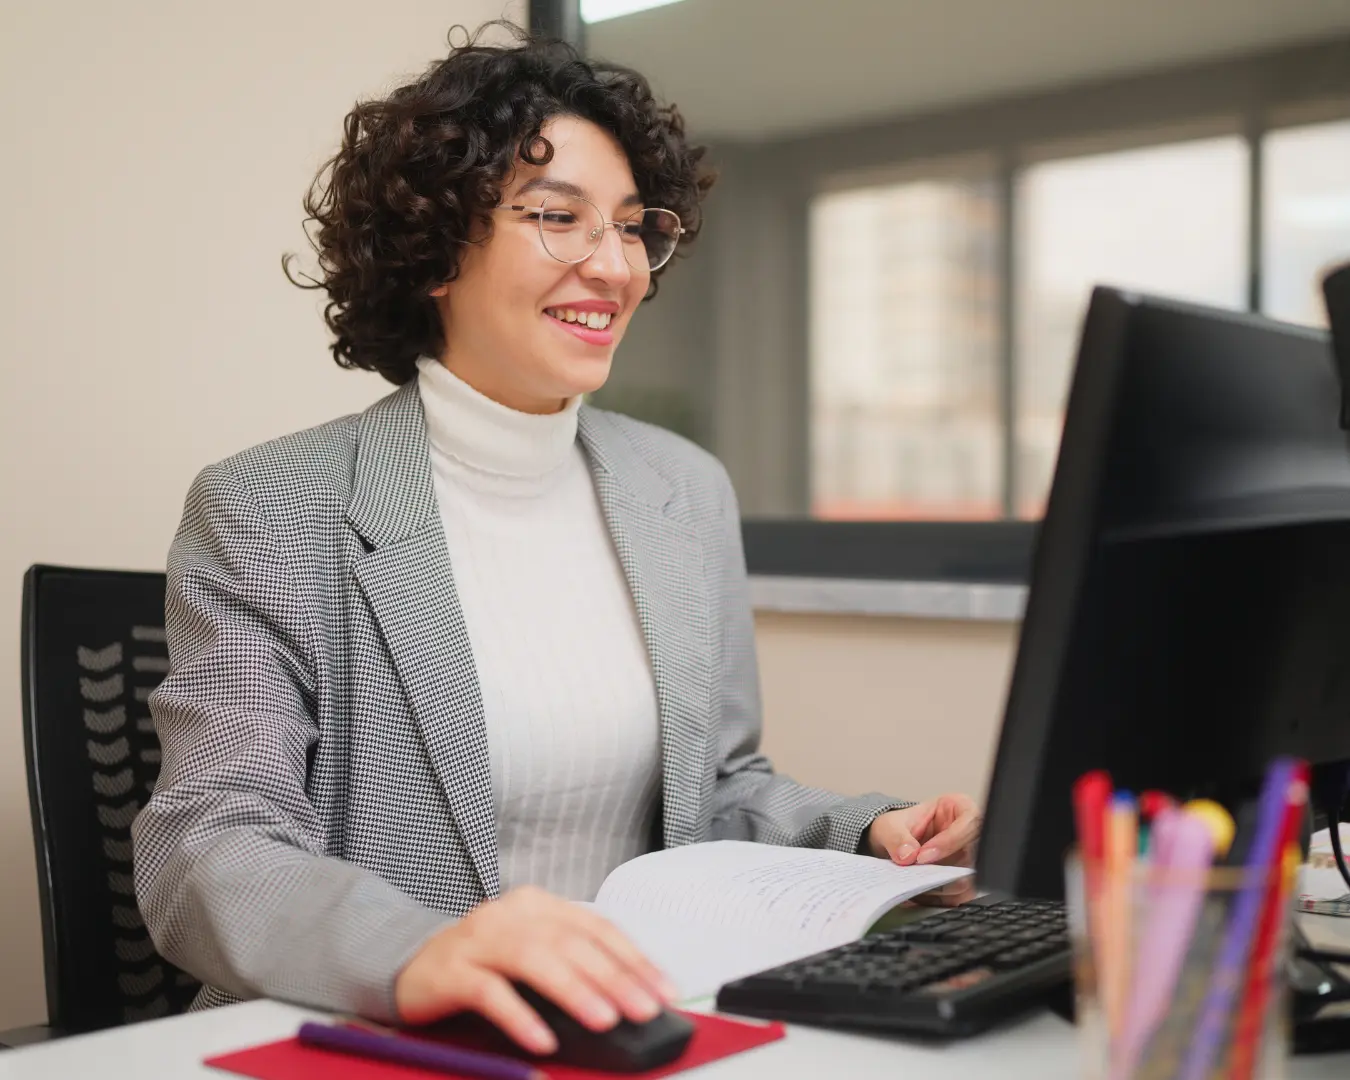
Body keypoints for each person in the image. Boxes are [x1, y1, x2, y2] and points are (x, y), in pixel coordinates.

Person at [131, 24, 981, 1056]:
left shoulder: (682, 490)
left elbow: (713, 791)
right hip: (382, 1041)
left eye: (632, 227)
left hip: (635, 1031)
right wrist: (417, 951)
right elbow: (208, 848)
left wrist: (865, 833)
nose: (614, 266)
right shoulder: (267, 506)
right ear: (437, 248)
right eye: (557, 218)